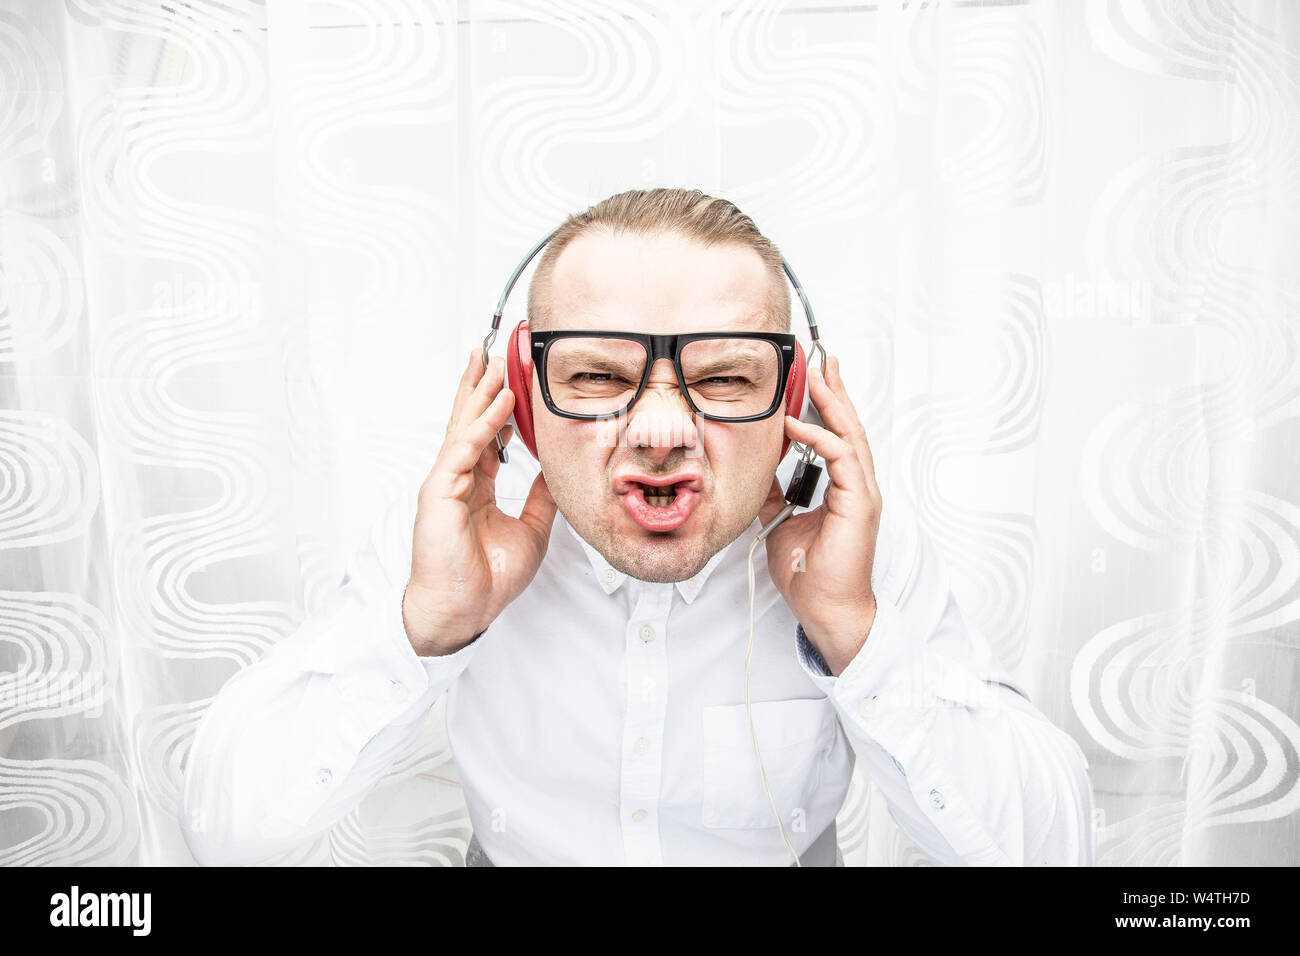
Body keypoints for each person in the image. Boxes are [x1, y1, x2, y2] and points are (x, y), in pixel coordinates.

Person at [180, 188, 1094, 867]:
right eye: (598, 379)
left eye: (726, 379)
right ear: (524, 402)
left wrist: (856, 634)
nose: (661, 434)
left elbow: (1056, 851)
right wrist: (426, 629)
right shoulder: (452, 540)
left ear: (795, 400)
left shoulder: (849, 555)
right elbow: (222, 830)